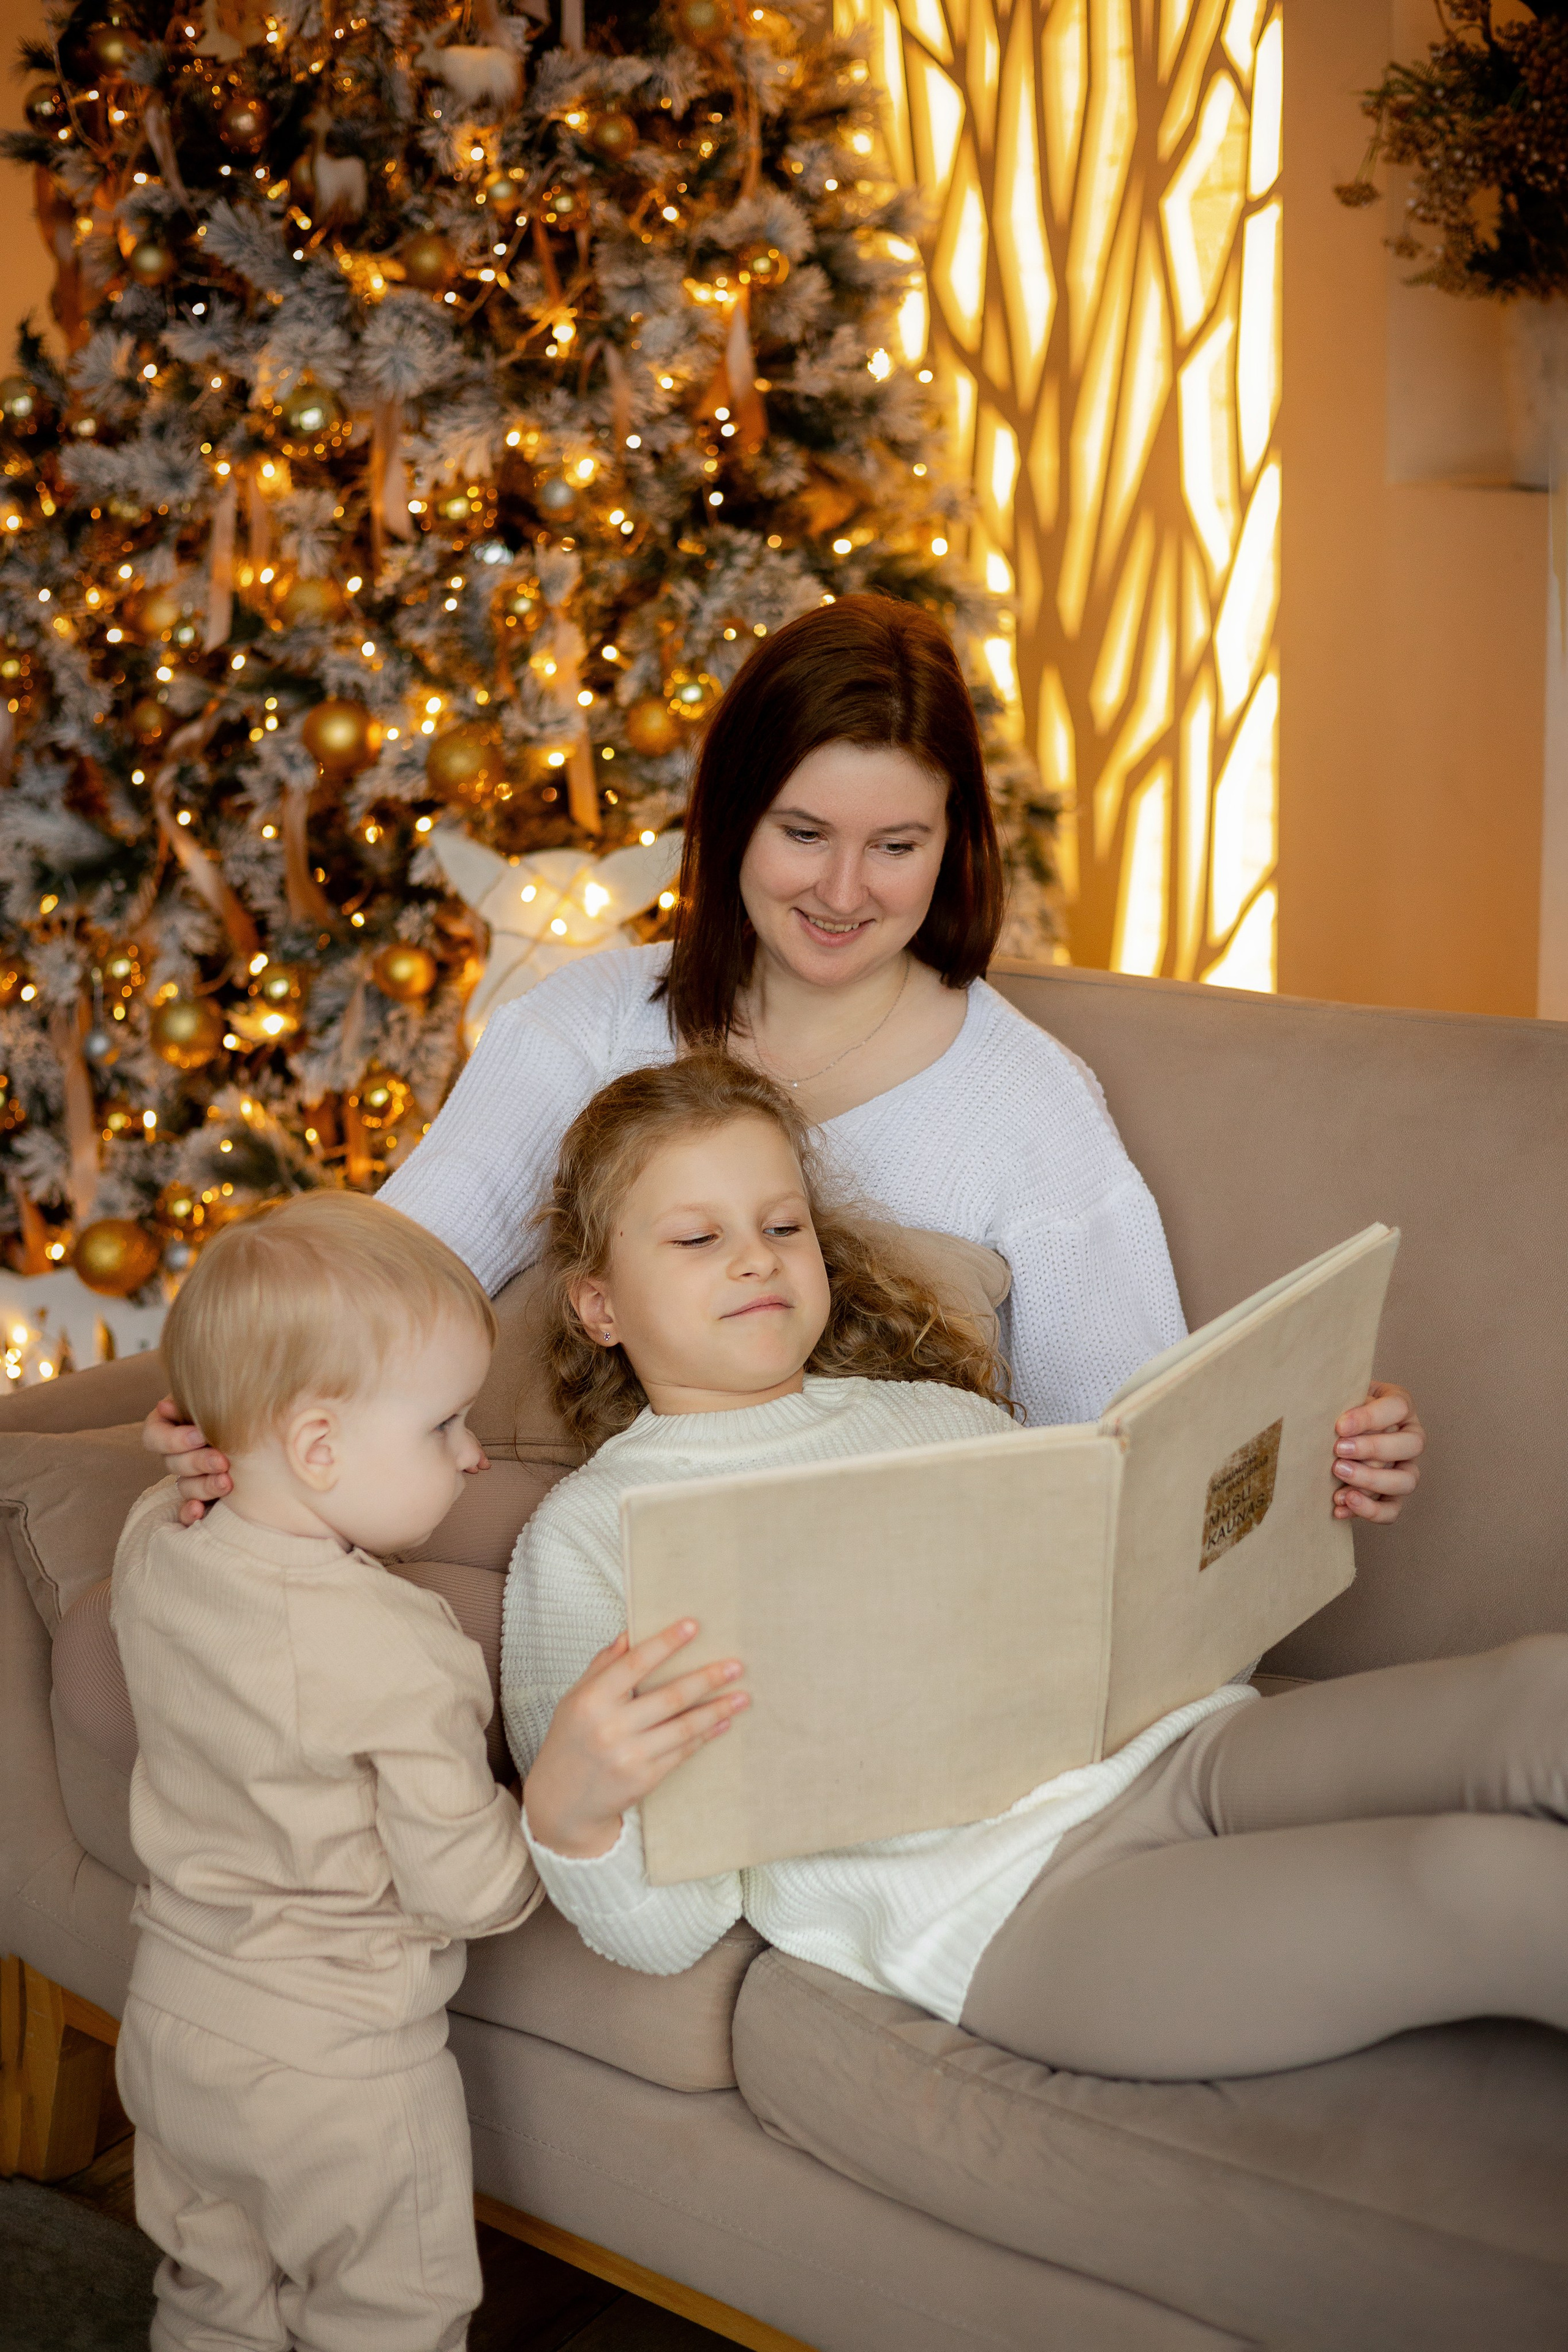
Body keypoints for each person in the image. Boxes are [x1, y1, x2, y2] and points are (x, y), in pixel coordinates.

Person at [141, 594, 1423, 1520]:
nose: (844, 892)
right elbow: (389, 1271)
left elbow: (1132, 1432)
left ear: (953, 843)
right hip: (536, 1565)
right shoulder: (584, 1024)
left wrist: (1309, 1451)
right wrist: (232, 1395)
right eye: (803, 831)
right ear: (728, 817)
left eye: (897, 845)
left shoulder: (1025, 1100)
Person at [503, 1054, 1568, 2083]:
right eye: (697, 1237)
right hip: (1016, 1909)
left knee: (1541, 1692)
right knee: (1482, 1885)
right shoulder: (595, 1534)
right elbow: (671, 1930)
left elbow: (1144, 1602)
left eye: (784, 1226)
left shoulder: (939, 1414)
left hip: (1184, 1750)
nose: (755, 1257)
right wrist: (572, 1811)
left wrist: (1309, 1475)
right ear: (598, 1306)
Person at [112, 1191, 540, 2352]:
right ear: (316, 1448)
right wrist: (561, 1807)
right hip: (336, 2070)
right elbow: (473, 1892)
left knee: (214, 2296)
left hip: (170, 2025)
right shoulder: (401, 1649)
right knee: (388, 2319)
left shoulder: (156, 1539)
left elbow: (180, 1482)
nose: (474, 1452)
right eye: (445, 1423)